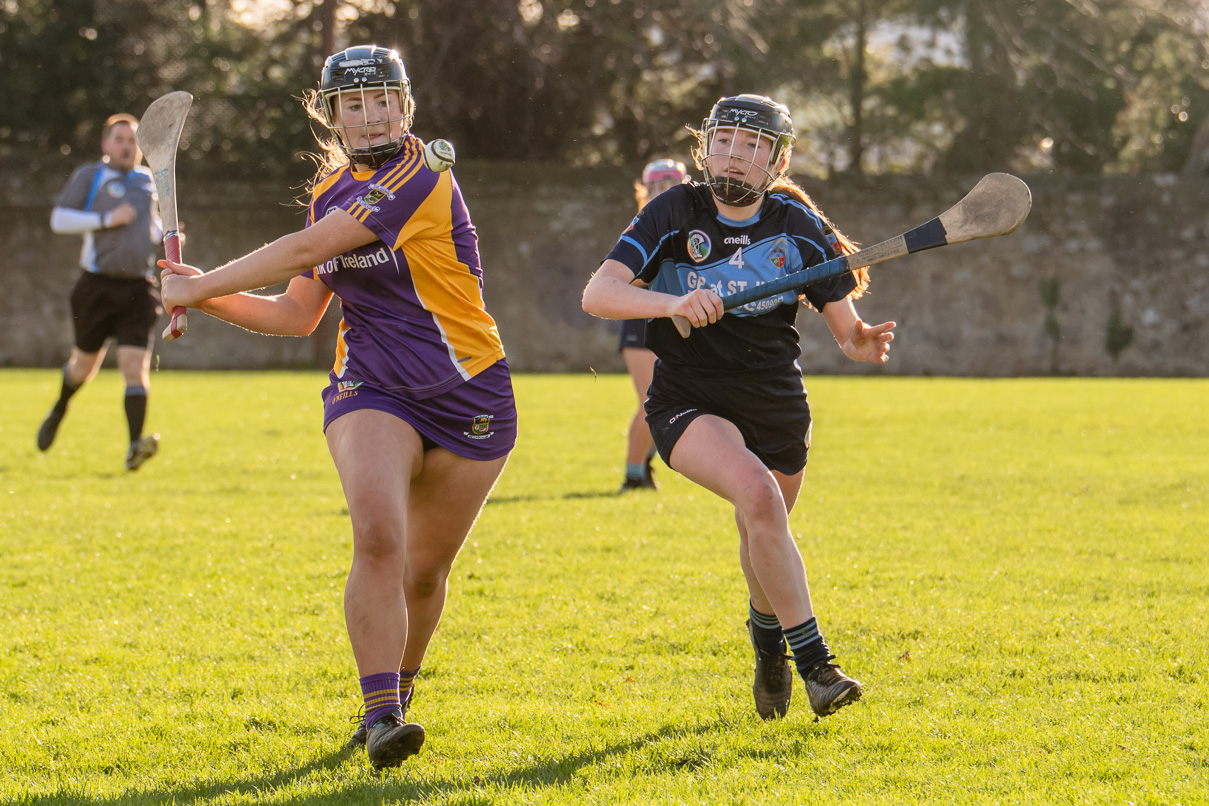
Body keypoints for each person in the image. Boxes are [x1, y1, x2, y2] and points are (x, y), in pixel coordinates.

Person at [158, 45, 517, 769]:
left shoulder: (422, 172)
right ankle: (381, 714)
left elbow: (311, 247)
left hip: (470, 390)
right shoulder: (329, 190)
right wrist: (205, 291)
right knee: (379, 537)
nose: (370, 113)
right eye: (353, 103)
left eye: (383, 98)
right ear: (333, 115)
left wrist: (198, 290)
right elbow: (297, 314)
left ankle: (401, 693)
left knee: (423, 572)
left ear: (405, 105)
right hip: (370, 386)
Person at [582, 94, 895, 721]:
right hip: (687, 397)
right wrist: (669, 304)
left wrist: (859, 343)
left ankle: (766, 645)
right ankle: (818, 669)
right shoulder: (674, 212)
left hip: (776, 402)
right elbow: (599, 293)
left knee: (766, 528)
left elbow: (846, 328)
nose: (737, 155)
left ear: (775, 160)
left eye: (754, 147)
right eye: (726, 141)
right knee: (757, 496)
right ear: (707, 146)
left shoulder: (797, 227)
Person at [38, 112, 162, 470]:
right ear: (106, 144)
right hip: (96, 287)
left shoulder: (149, 182)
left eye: (133, 140)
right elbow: (59, 219)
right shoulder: (90, 176)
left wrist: (168, 237)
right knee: (83, 367)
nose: (127, 146)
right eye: (120, 139)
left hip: (140, 288)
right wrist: (107, 220)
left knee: (134, 367)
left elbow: (152, 229)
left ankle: (134, 446)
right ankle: (61, 407)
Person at [617, 158, 690, 492]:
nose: (665, 193)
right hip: (640, 323)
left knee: (667, 400)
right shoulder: (642, 227)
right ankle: (634, 476)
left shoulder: (691, 224)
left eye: (670, 185)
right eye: (658, 187)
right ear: (645, 191)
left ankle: (644, 467)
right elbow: (625, 280)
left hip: (672, 321)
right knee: (650, 401)